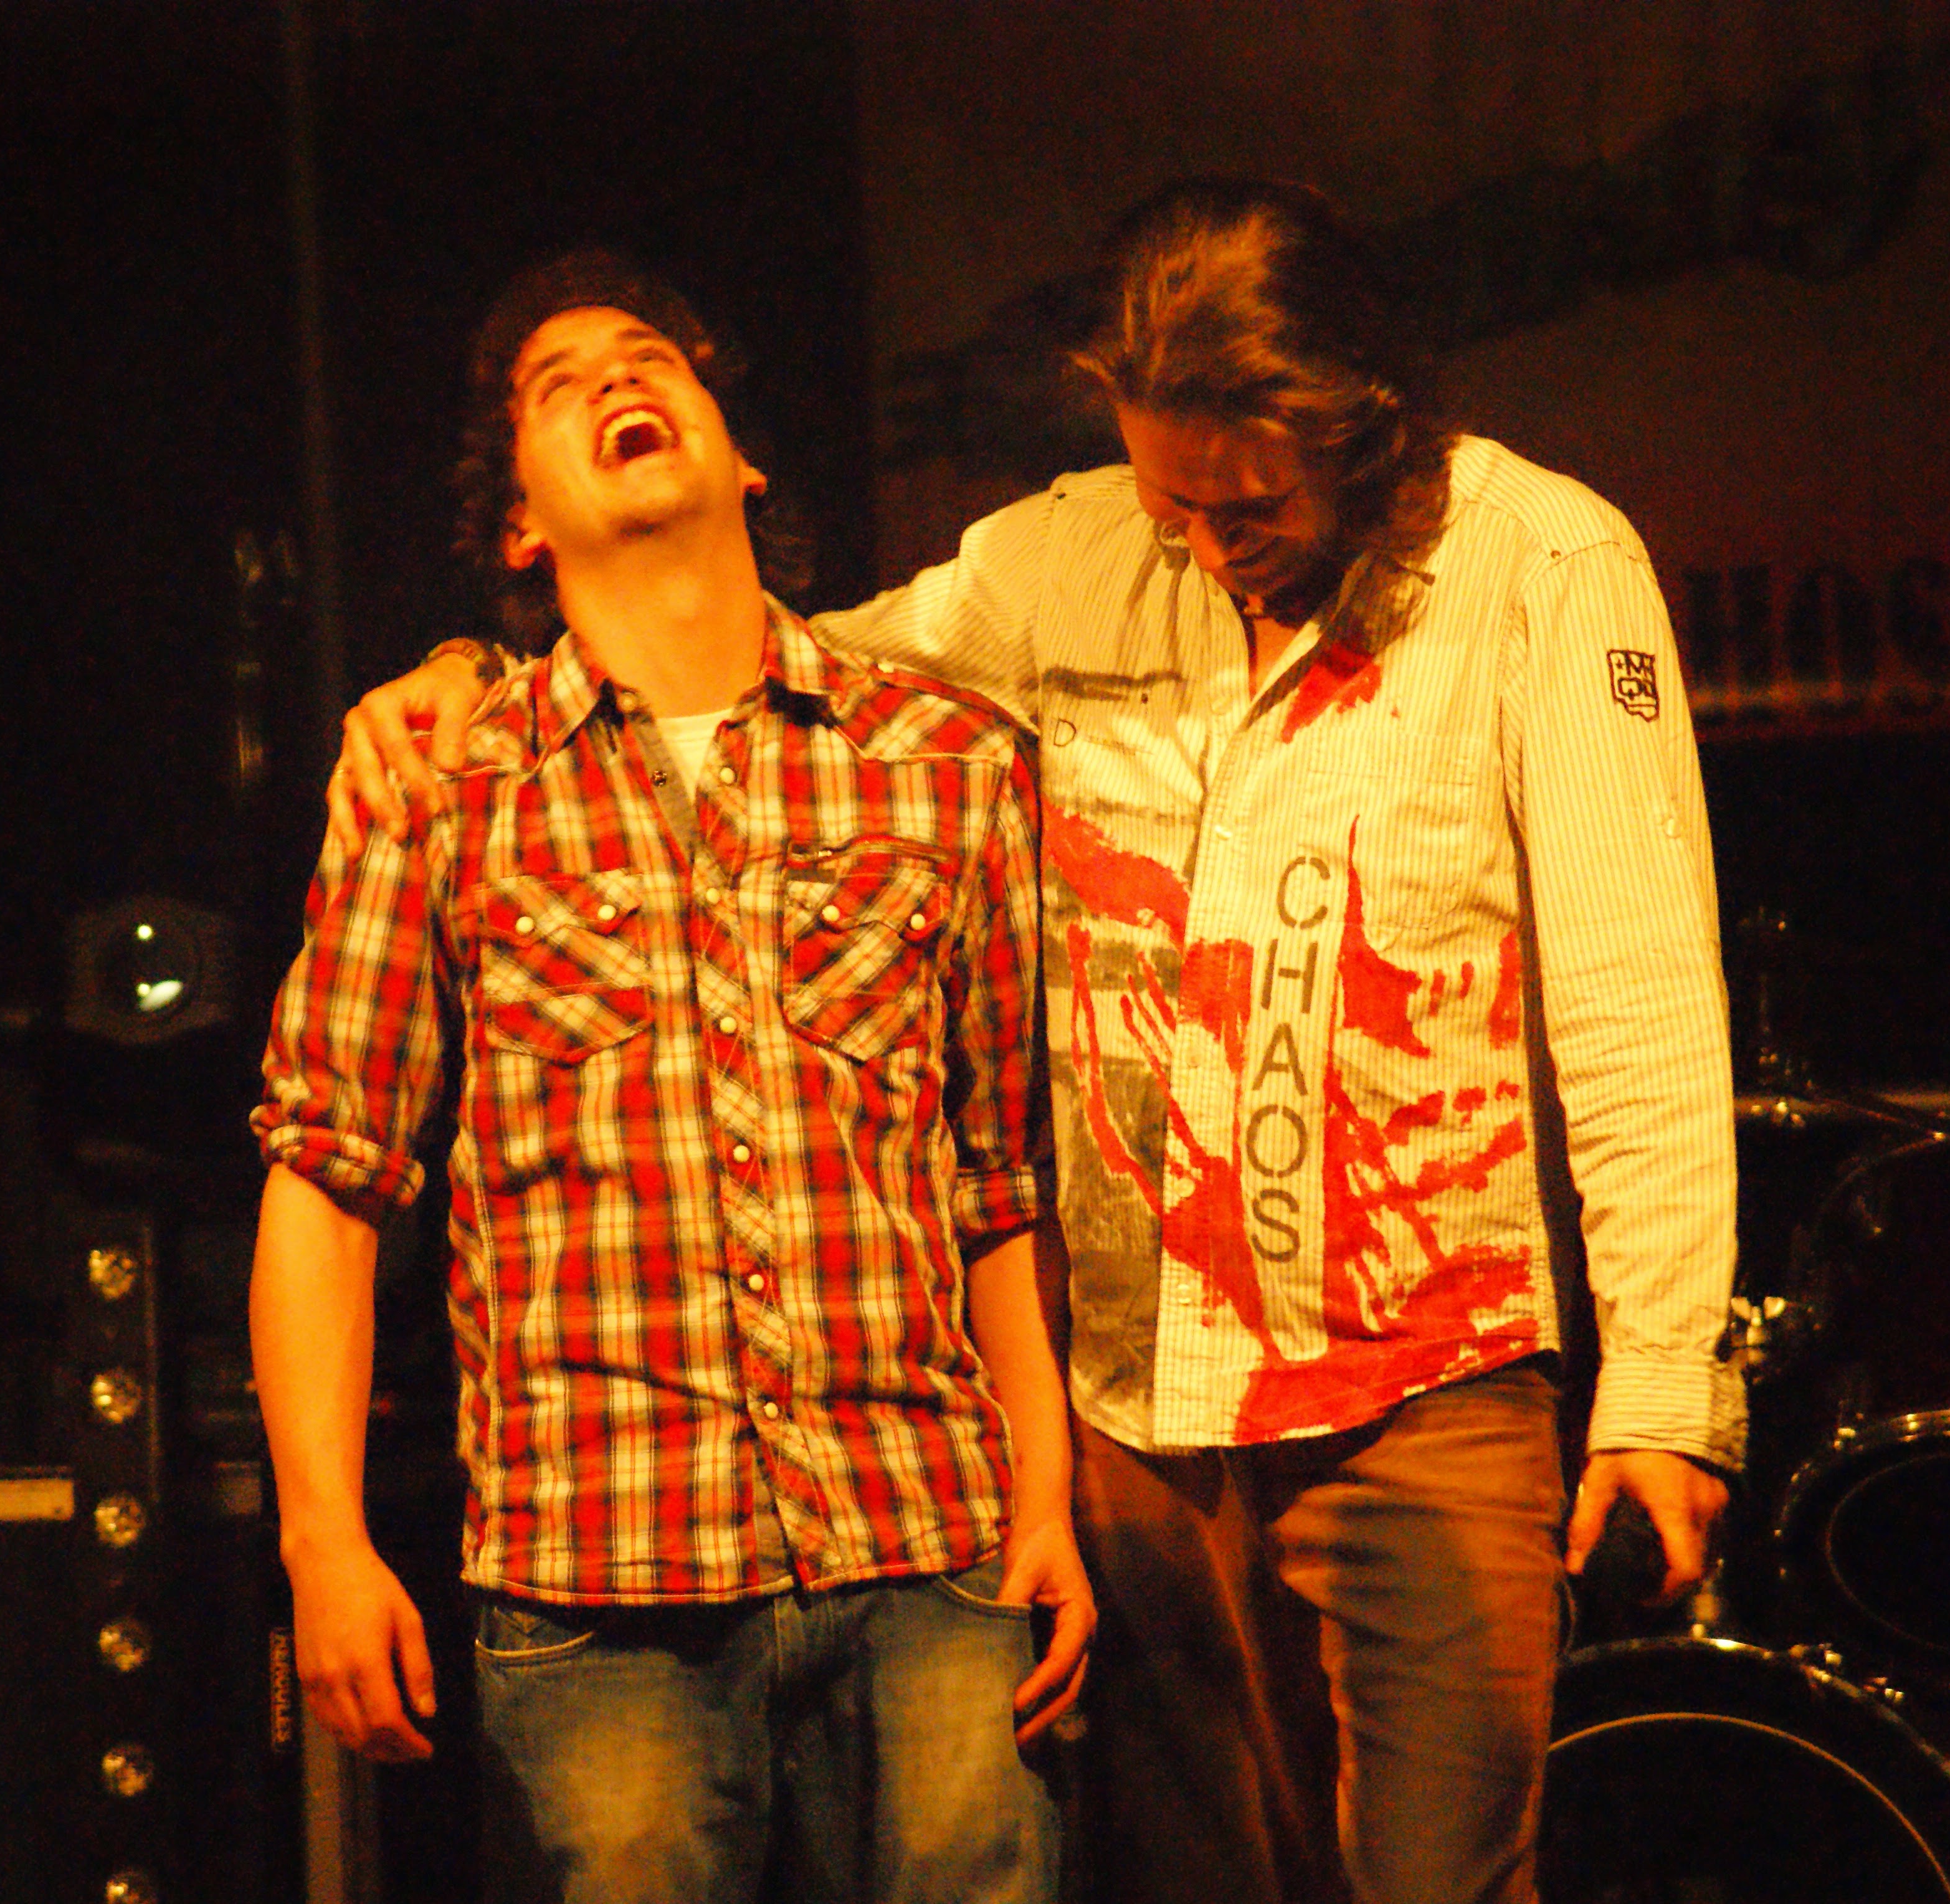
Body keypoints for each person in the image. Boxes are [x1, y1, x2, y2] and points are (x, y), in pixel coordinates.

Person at [329, 181, 1748, 1904]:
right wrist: (477, 673)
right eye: (1173, 502)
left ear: (1364, 427)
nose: (1208, 542)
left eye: (1251, 503)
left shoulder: (1544, 565)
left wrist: (1664, 1388)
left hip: (1422, 1392)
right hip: (1143, 1421)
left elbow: (1636, 983)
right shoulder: (1067, 556)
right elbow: (765, 673)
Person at [249, 250, 1091, 1904]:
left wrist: (1048, 1503)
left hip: (928, 1549)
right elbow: (330, 1184)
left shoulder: (946, 766)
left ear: (742, 453)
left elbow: (1002, 1184)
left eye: (651, 360)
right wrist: (322, 1542)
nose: (618, 383)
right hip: (599, 1586)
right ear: (518, 524)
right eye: (559, 388)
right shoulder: (444, 788)